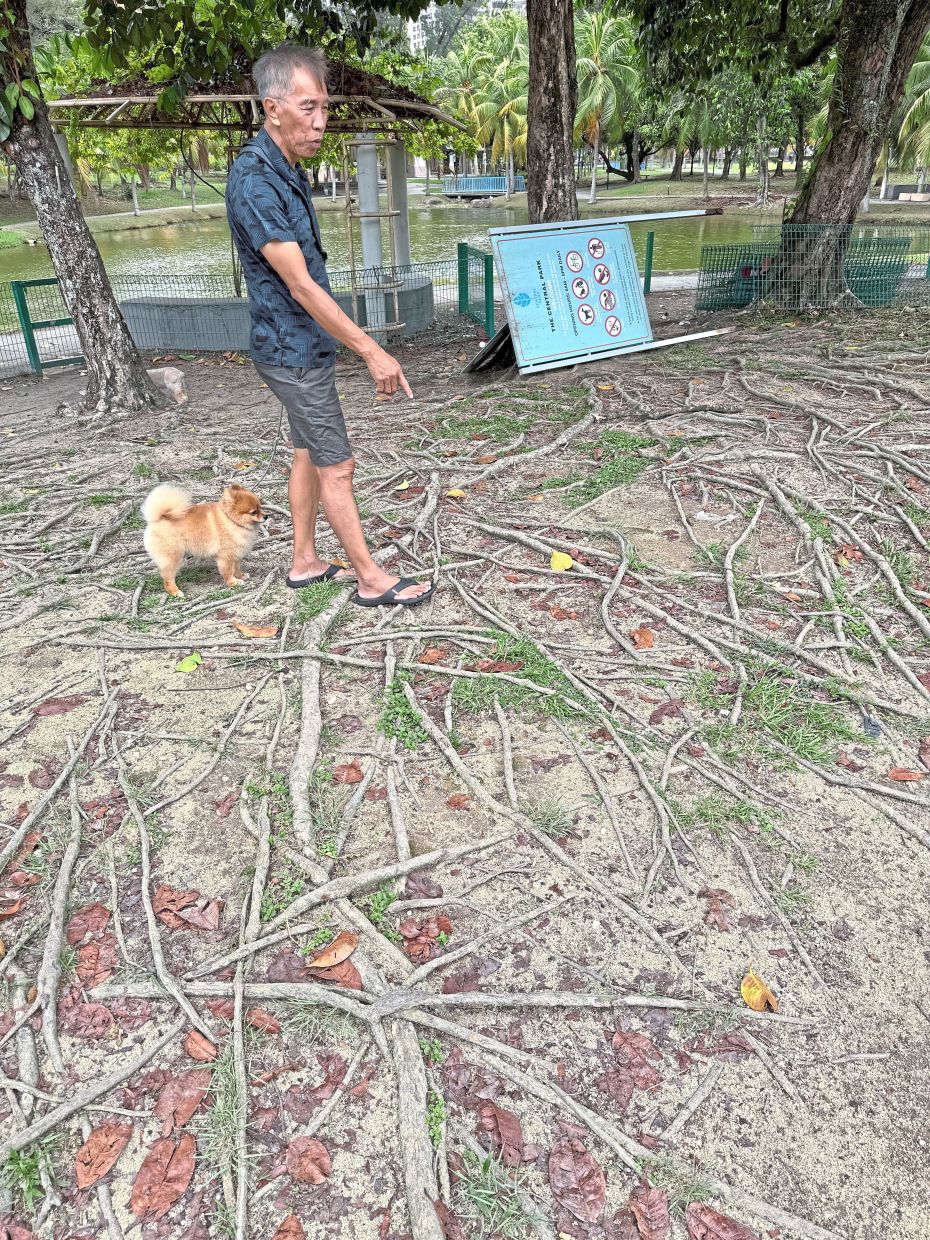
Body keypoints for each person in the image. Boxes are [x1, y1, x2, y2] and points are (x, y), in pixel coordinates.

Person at [226, 43, 434, 608]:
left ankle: (304, 562)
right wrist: (371, 350)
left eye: (324, 108)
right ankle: (371, 579)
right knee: (336, 465)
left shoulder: (284, 168)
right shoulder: (255, 180)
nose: (321, 122)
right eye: (308, 108)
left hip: (303, 345)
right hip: (290, 352)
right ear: (272, 108)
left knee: (306, 454)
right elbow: (300, 285)